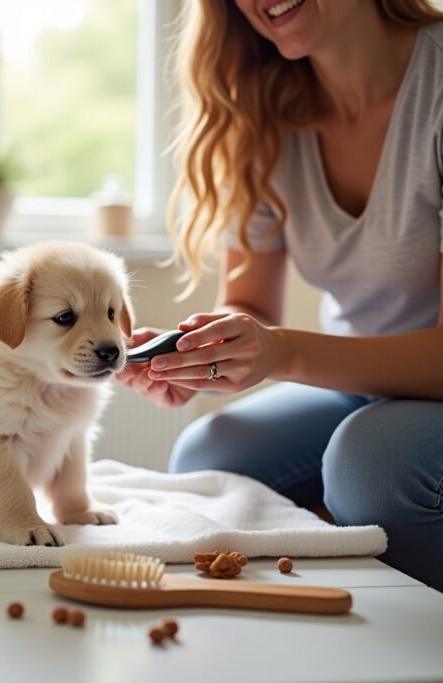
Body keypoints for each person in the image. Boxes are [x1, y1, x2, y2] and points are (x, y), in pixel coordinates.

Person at [117, 0, 443, 591]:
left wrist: (283, 353)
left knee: (367, 465)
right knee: (208, 458)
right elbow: (253, 303)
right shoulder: (264, 110)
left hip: (419, 393)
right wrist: (206, 350)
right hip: (361, 387)